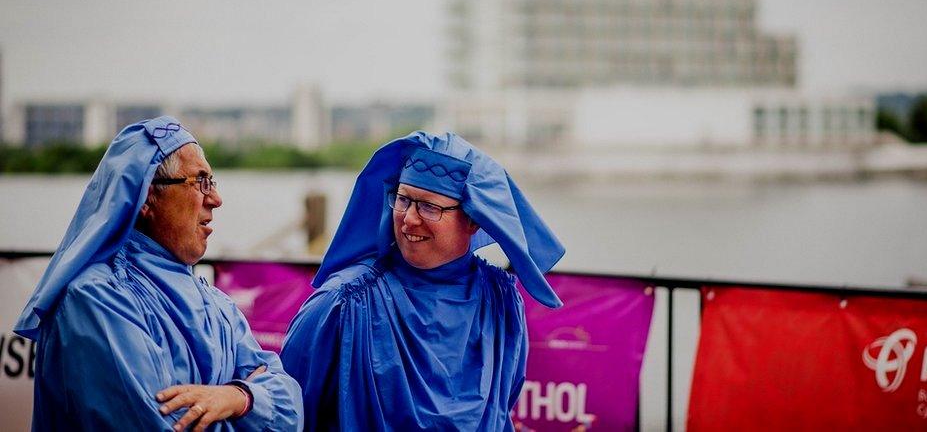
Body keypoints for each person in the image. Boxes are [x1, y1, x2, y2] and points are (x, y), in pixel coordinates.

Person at [15, 116, 303, 431]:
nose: (216, 200)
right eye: (200, 182)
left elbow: (290, 410)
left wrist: (237, 397)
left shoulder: (217, 305)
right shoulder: (95, 300)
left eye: (213, 182)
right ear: (146, 197)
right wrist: (252, 411)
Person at [281, 131, 566, 431]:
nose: (408, 219)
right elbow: (289, 412)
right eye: (403, 200)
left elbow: (503, 404)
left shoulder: (501, 301)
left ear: (473, 220)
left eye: (429, 207)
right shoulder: (342, 304)